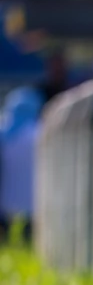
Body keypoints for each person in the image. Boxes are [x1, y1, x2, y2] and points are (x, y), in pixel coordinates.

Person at [0, 86, 42, 242]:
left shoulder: (4, 132)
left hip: (5, 194)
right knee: (28, 236)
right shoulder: (39, 132)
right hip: (33, 196)